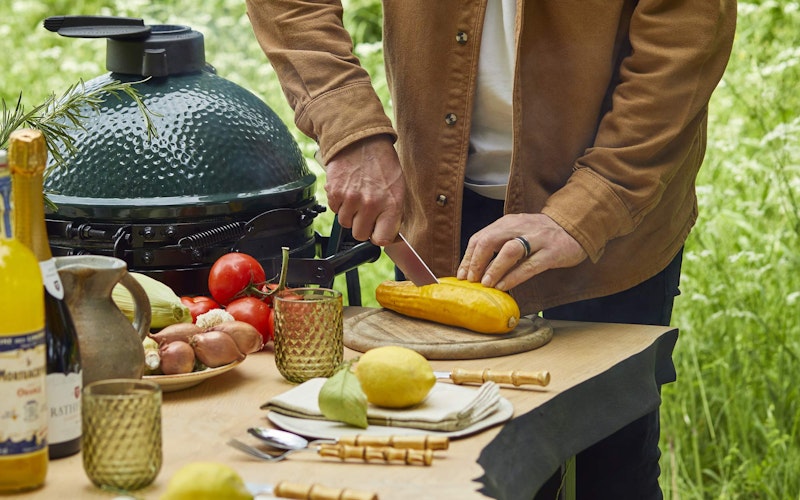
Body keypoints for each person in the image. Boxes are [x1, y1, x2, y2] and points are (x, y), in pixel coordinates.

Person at [246, 1, 737, 497]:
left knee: (613, 465)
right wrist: (349, 131)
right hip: (441, 205)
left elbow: (684, 37)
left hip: (617, 222)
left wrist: (591, 205)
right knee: (464, 461)